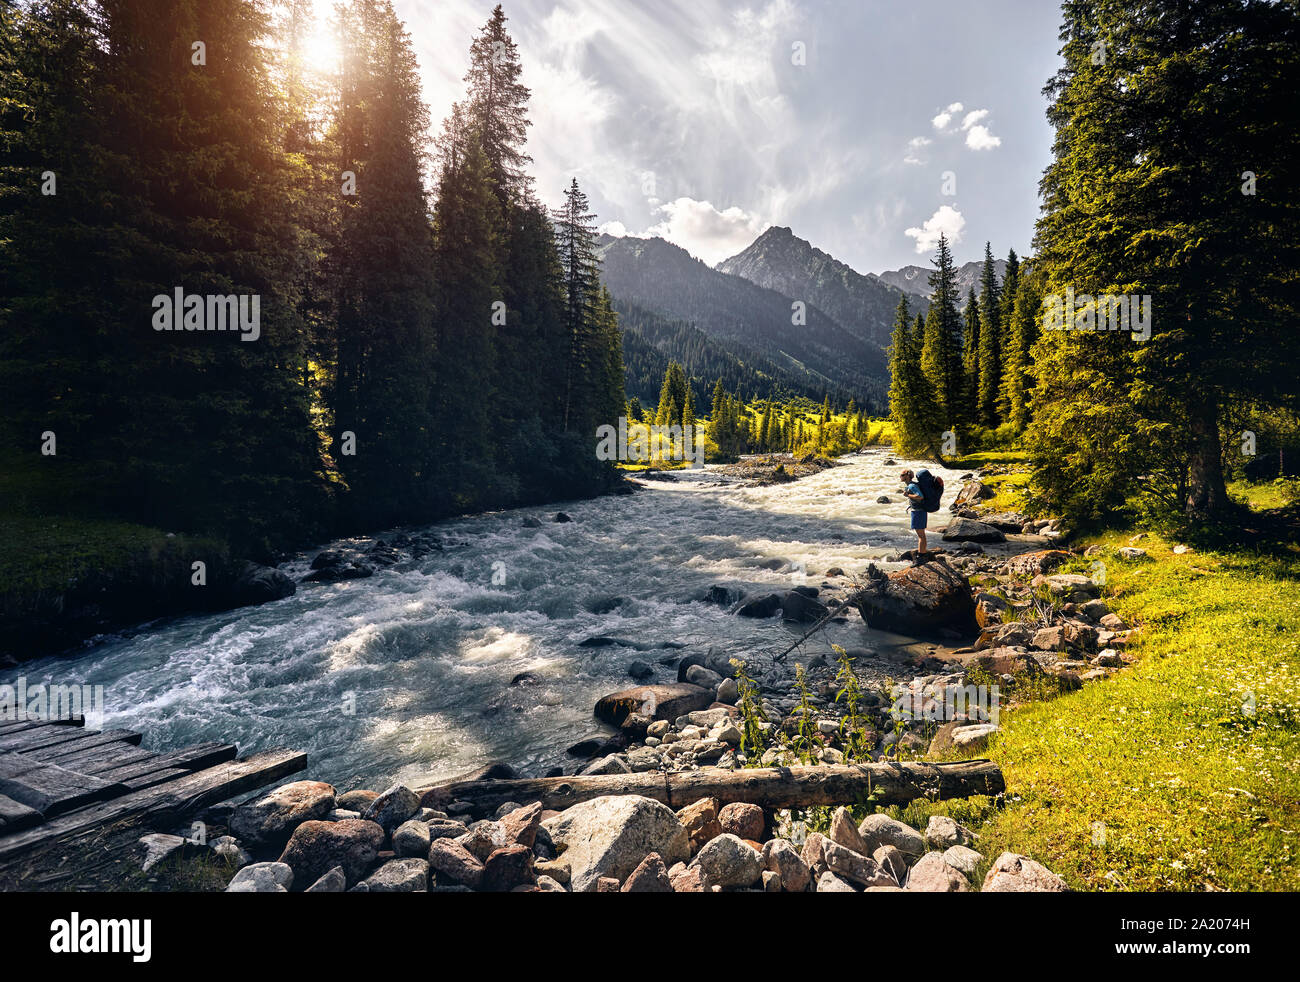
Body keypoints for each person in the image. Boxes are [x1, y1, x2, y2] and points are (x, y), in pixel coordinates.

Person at [899, 469, 928, 557]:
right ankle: (922, 554)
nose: (900, 476)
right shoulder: (912, 485)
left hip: (918, 512)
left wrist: (907, 495)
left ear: (907, 476)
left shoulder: (912, 486)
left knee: (921, 536)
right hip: (919, 511)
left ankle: (921, 556)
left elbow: (920, 496)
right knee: (921, 535)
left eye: (902, 475)